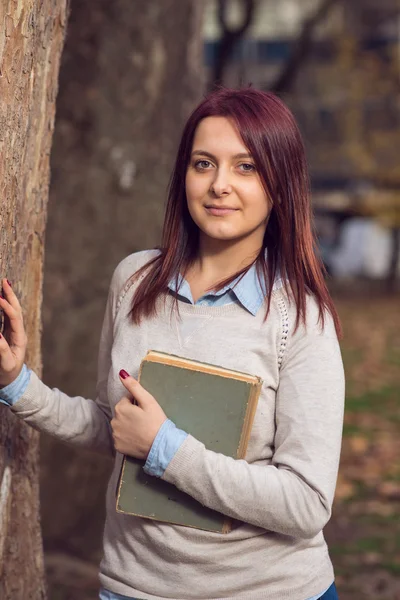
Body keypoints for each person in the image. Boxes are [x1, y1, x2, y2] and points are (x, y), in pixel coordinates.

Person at [0, 87, 344, 600]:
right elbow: (112, 426)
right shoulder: (134, 280)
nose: (219, 185)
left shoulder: (300, 320)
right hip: (133, 587)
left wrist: (166, 449)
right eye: (203, 163)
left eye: (245, 167)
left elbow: (306, 503)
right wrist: (16, 382)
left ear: (280, 185)